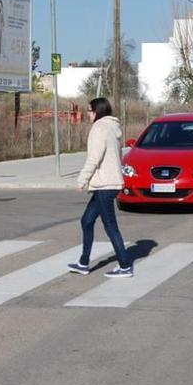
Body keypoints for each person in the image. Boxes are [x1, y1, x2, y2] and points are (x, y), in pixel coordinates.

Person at [68, 98, 133, 278]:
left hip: (105, 184)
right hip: (107, 183)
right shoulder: (112, 127)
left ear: (97, 111)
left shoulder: (99, 128)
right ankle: (83, 262)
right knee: (87, 221)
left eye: (89, 110)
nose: (88, 113)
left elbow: (94, 158)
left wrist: (82, 179)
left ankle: (125, 265)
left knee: (111, 226)